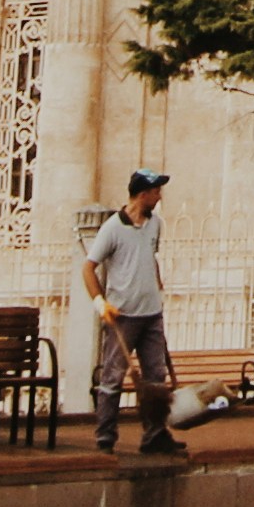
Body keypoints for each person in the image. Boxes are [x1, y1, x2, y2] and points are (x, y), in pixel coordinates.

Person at [86, 170, 182, 457]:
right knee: (113, 378)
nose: (159, 197)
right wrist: (100, 303)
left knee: (155, 377)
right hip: (123, 315)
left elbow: (150, 259)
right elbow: (88, 267)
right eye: (156, 192)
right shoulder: (112, 228)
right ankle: (105, 437)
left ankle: (155, 435)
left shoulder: (155, 225)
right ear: (143, 194)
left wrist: (157, 287)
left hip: (152, 313)